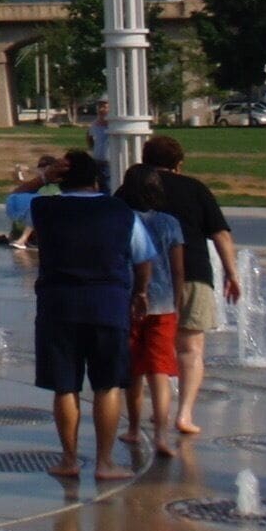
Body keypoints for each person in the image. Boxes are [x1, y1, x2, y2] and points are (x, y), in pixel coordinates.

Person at [6, 150, 156, 481]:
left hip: (58, 306)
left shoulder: (44, 207)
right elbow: (143, 255)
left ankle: (69, 459)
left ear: (62, 180)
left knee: (65, 386)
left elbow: (12, 201)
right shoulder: (121, 212)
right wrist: (140, 292)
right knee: (107, 385)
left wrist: (43, 178)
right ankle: (104, 462)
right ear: (96, 180)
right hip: (108, 304)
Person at [141, 134, 240, 437]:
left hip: (148, 279)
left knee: (151, 348)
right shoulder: (196, 188)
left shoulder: (134, 188)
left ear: (145, 160)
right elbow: (220, 234)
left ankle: (158, 412)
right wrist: (232, 273)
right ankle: (184, 414)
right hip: (194, 273)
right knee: (190, 348)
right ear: (179, 165)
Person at [115, 162, 185, 456]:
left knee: (133, 370)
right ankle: (161, 435)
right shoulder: (169, 223)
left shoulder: (121, 220)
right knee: (159, 369)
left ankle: (133, 429)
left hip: (127, 302)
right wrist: (178, 302)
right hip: (163, 302)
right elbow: (178, 268)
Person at [2, 155, 61, 250]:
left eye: (45, 166)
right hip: (37, 218)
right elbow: (23, 186)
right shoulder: (39, 183)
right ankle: (20, 235)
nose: (42, 168)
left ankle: (23, 238)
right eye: (40, 166)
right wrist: (18, 173)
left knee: (36, 207)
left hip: (47, 218)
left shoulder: (56, 185)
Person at [86, 101, 112, 192]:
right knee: (100, 185)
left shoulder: (113, 125)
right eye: (100, 107)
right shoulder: (94, 125)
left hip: (109, 162)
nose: (101, 110)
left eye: (105, 107)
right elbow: (89, 138)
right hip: (97, 160)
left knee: (108, 186)